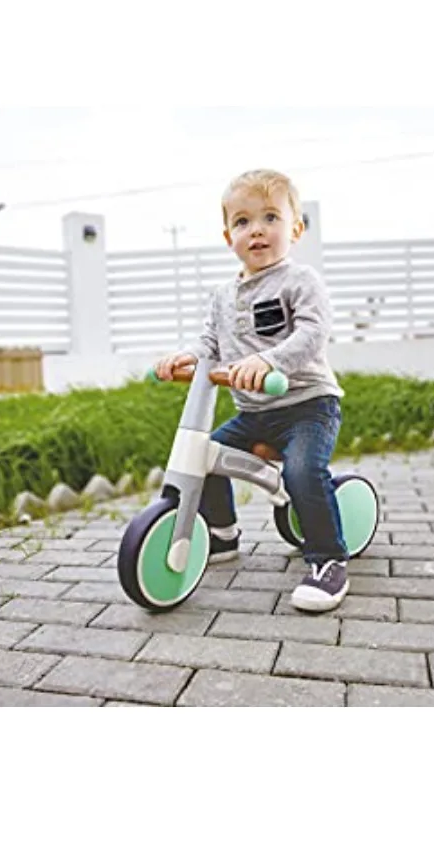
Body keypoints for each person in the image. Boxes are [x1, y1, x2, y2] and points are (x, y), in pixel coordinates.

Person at [154, 169, 349, 613]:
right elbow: (209, 342)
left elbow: (312, 334)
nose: (256, 229)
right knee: (206, 454)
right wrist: (186, 358)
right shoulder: (222, 295)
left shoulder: (300, 281)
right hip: (255, 411)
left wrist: (268, 361)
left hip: (306, 405)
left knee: (302, 471)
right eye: (242, 222)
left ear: (295, 229)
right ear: (229, 237)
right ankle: (221, 533)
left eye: (270, 217)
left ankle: (327, 559)